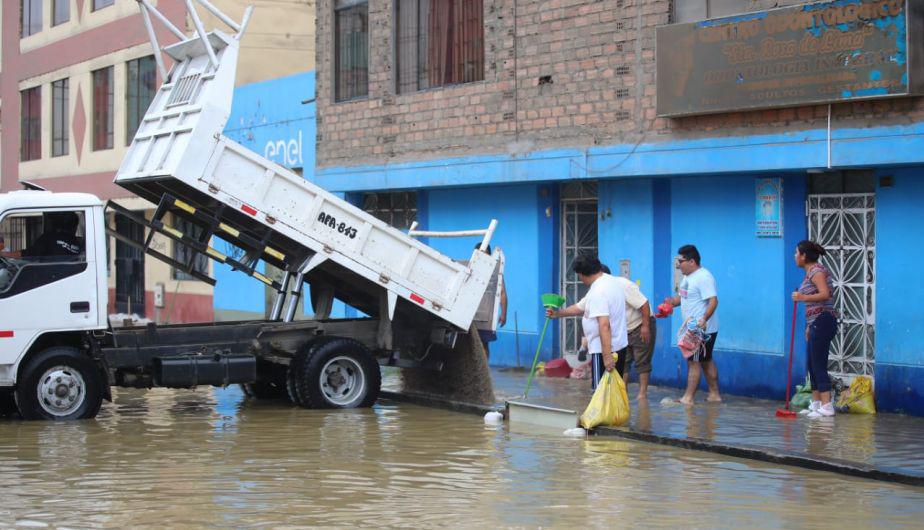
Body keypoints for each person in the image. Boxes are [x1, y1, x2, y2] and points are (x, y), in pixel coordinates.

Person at [547, 254, 628, 391]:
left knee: (599, 393)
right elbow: (580, 307)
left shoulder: (599, 291)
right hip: (619, 345)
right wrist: (557, 314)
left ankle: (603, 414)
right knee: (612, 391)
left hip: (604, 350)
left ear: (581, 274)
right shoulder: (610, 281)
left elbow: (604, 325)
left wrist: (607, 356)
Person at [575, 267, 655, 400]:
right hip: (622, 331)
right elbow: (580, 306)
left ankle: (642, 395)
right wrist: (558, 313)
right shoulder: (597, 289)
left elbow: (644, 304)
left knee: (642, 361)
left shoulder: (622, 285)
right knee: (624, 363)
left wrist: (645, 326)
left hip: (639, 324)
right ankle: (622, 394)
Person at [664, 244, 720, 405]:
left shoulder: (704, 277)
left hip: (700, 330)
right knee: (705, 360)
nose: (677, 264)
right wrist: (671, 303)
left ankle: (688, 398)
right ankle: (714, 395)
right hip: (694, 328)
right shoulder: (688, 277)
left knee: (693, 362)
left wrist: (703, 319)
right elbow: (684, 297)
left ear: (692, 261)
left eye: (680, 261)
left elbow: (713, 301)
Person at [792, 240, 837, 418]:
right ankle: (816, 403)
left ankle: (827, 406)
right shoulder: (809, 272)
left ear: (804, 256)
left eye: (796, 253)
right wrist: (810, 326)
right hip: (816, 323)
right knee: (811, 363)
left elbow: (825, 293)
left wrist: (802, 296)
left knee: (818, 363)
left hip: (824, 320)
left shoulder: (817, 271)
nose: (795, 256)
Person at [472, 243, 507, 358]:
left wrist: (504, 314)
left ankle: (484, 372)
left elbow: (502, 293)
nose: (482, 257)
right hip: (470, 315)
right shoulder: (469, 268)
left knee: (484, 345)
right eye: (479, 254)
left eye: (484, 254)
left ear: (489, 255)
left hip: (486, 317)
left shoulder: (496, 272)